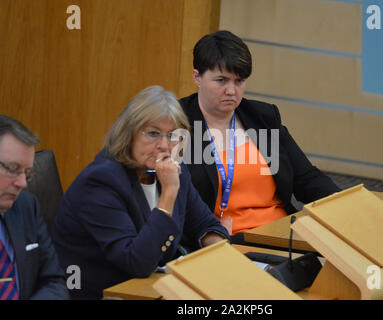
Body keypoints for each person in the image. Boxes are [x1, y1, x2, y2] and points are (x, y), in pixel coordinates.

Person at [51, 85, 229, 300]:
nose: (164, 145)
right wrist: (169, 193)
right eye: (153, 134)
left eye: (172, 135)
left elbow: (205, 225)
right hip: (101, 294)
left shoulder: (174, 172)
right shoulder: (101, 181)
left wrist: (224, 258)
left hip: (151, 289)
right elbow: (137, 262)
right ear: (129, 135)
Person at [179, 30, 340, 241]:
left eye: (239, 81)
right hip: (223, 239)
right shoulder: (176, 123)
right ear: (197, 77)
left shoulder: (262, 117)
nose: (231, 91)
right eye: (221, 80)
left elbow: (306, 178)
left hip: (281, 233)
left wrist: (341, 203)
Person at [0, 115, 69, 300]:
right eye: (13, 169)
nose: (22, 183)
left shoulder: (26, 206)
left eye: (27, 174)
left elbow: (53, 281)